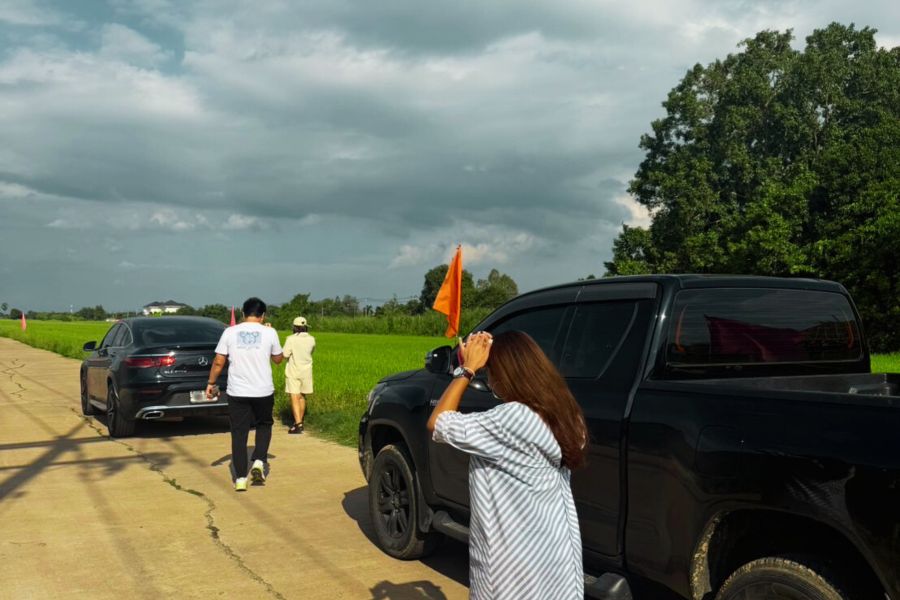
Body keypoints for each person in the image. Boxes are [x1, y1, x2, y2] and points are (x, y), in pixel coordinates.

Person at [426, 331, 587, 600]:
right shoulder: (566, 413)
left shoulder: (513, 419)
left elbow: (438, 423)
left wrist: (466, 370)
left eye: (490, 371)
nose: (489, 380)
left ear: (504, 375)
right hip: (557, 555)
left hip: (514, 568)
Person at [207, 297, 283, 492]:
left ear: (243, 314)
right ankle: (259, 460)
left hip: (237, 391)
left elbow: (219, 361)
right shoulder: (270, 332)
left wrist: (211, 383)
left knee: (239, 432)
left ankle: (241, 478)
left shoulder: (229, 332)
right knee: (264, 425)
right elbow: (277, 359)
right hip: (263, 390)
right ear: (263, 315)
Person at [282, 316, 315, 434]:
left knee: (294, 396)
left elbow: (285, 354)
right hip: (307, 371)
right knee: (302, 396)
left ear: (294, 327)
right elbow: (311, 351)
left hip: (294, 370)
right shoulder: (312, 339)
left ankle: (298, 424)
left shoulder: (291, 339)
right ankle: (299, 422)